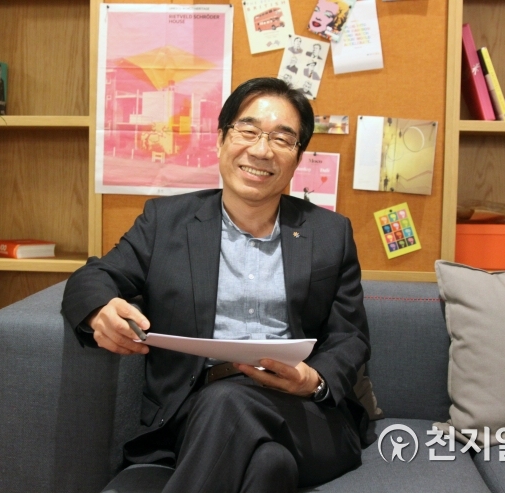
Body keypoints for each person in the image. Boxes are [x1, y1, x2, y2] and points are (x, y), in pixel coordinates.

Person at [62, 77, 370, 493]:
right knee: (269, 465)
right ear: (222, 139)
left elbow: (350, 337)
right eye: (248, 131)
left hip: (303, 413)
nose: (261, 150)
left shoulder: (330, 233)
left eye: (282, 139)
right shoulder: (165, 222)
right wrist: (99, 310)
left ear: (298, 158)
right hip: (193, 413)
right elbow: (93, 277)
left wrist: (312, 380)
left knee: (230, 404)